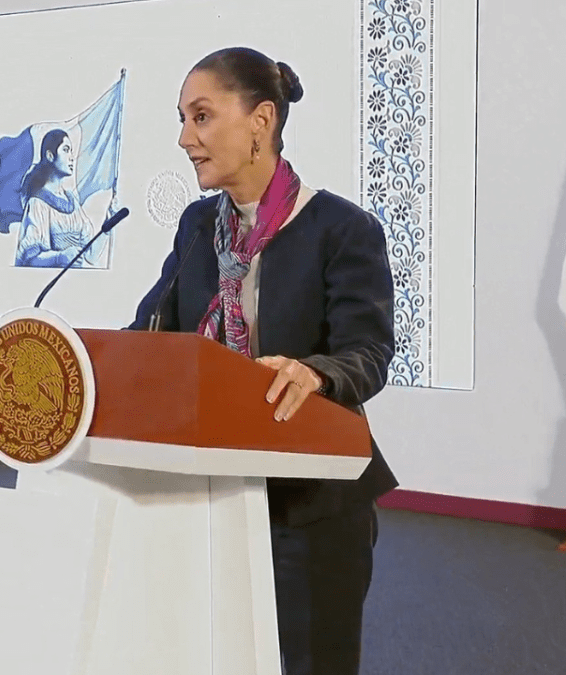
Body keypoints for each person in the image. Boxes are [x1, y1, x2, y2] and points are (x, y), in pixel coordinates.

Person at [127, 47, 398, 674]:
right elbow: (149, 330)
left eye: (200, 117)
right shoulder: (198, 225)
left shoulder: (341, 227)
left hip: (313, 501)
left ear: (261, 121)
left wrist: (316, 371)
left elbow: (369, 351)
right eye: (182, 119)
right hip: (214, 494)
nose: (183, 138)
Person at [14, 128, 108, 268]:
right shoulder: (38, 202)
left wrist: (109, 222)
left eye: (71, 151)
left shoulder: (72, 201)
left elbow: (91, 256)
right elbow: (30, 259)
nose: (72, 157)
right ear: (50, 156)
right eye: (66, 149)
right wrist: (59, 258)